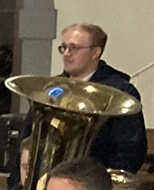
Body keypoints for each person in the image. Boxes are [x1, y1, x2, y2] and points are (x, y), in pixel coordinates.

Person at [46, 23, 146, 174]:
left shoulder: (119, 92)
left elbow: (130, 149)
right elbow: (28, 139)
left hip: (96, 182)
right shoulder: (51, 88)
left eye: (74, 48)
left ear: (96, 52)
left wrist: (107, 186)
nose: (66, 53)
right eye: (63, 47)